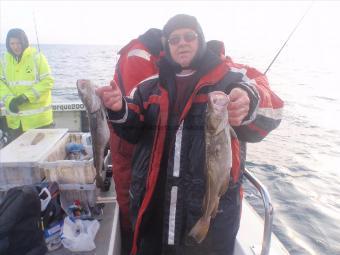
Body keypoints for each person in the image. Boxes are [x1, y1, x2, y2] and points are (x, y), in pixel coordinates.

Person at [97, 14, 283, 255]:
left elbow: (275, 109)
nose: (181, 43)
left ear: (200, 39)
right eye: (174, 39)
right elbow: (133, 129)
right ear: (166, 46)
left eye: (189, 36)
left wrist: (250, 99)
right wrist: (118, 108)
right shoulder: (148, 86)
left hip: (210, 219)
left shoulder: (233, 77)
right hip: (154, 210)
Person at [108, 28, 163, 254]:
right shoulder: (139, 58)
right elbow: (142, 103)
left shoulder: (142, 53)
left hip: (129, 136)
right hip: (128, 140)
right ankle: (130, 240)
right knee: (129, 192)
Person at [0, 28, 54, 143]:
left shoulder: (37, 57)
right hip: (15, 122)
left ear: (24, 41)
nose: (16, 46)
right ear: (8, 44)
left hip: (39, 122)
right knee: (17, 156)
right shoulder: (4, 60)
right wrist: (10, 100)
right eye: (12, 43)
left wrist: (26, 96)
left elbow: (48, 81)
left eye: (19, 43)